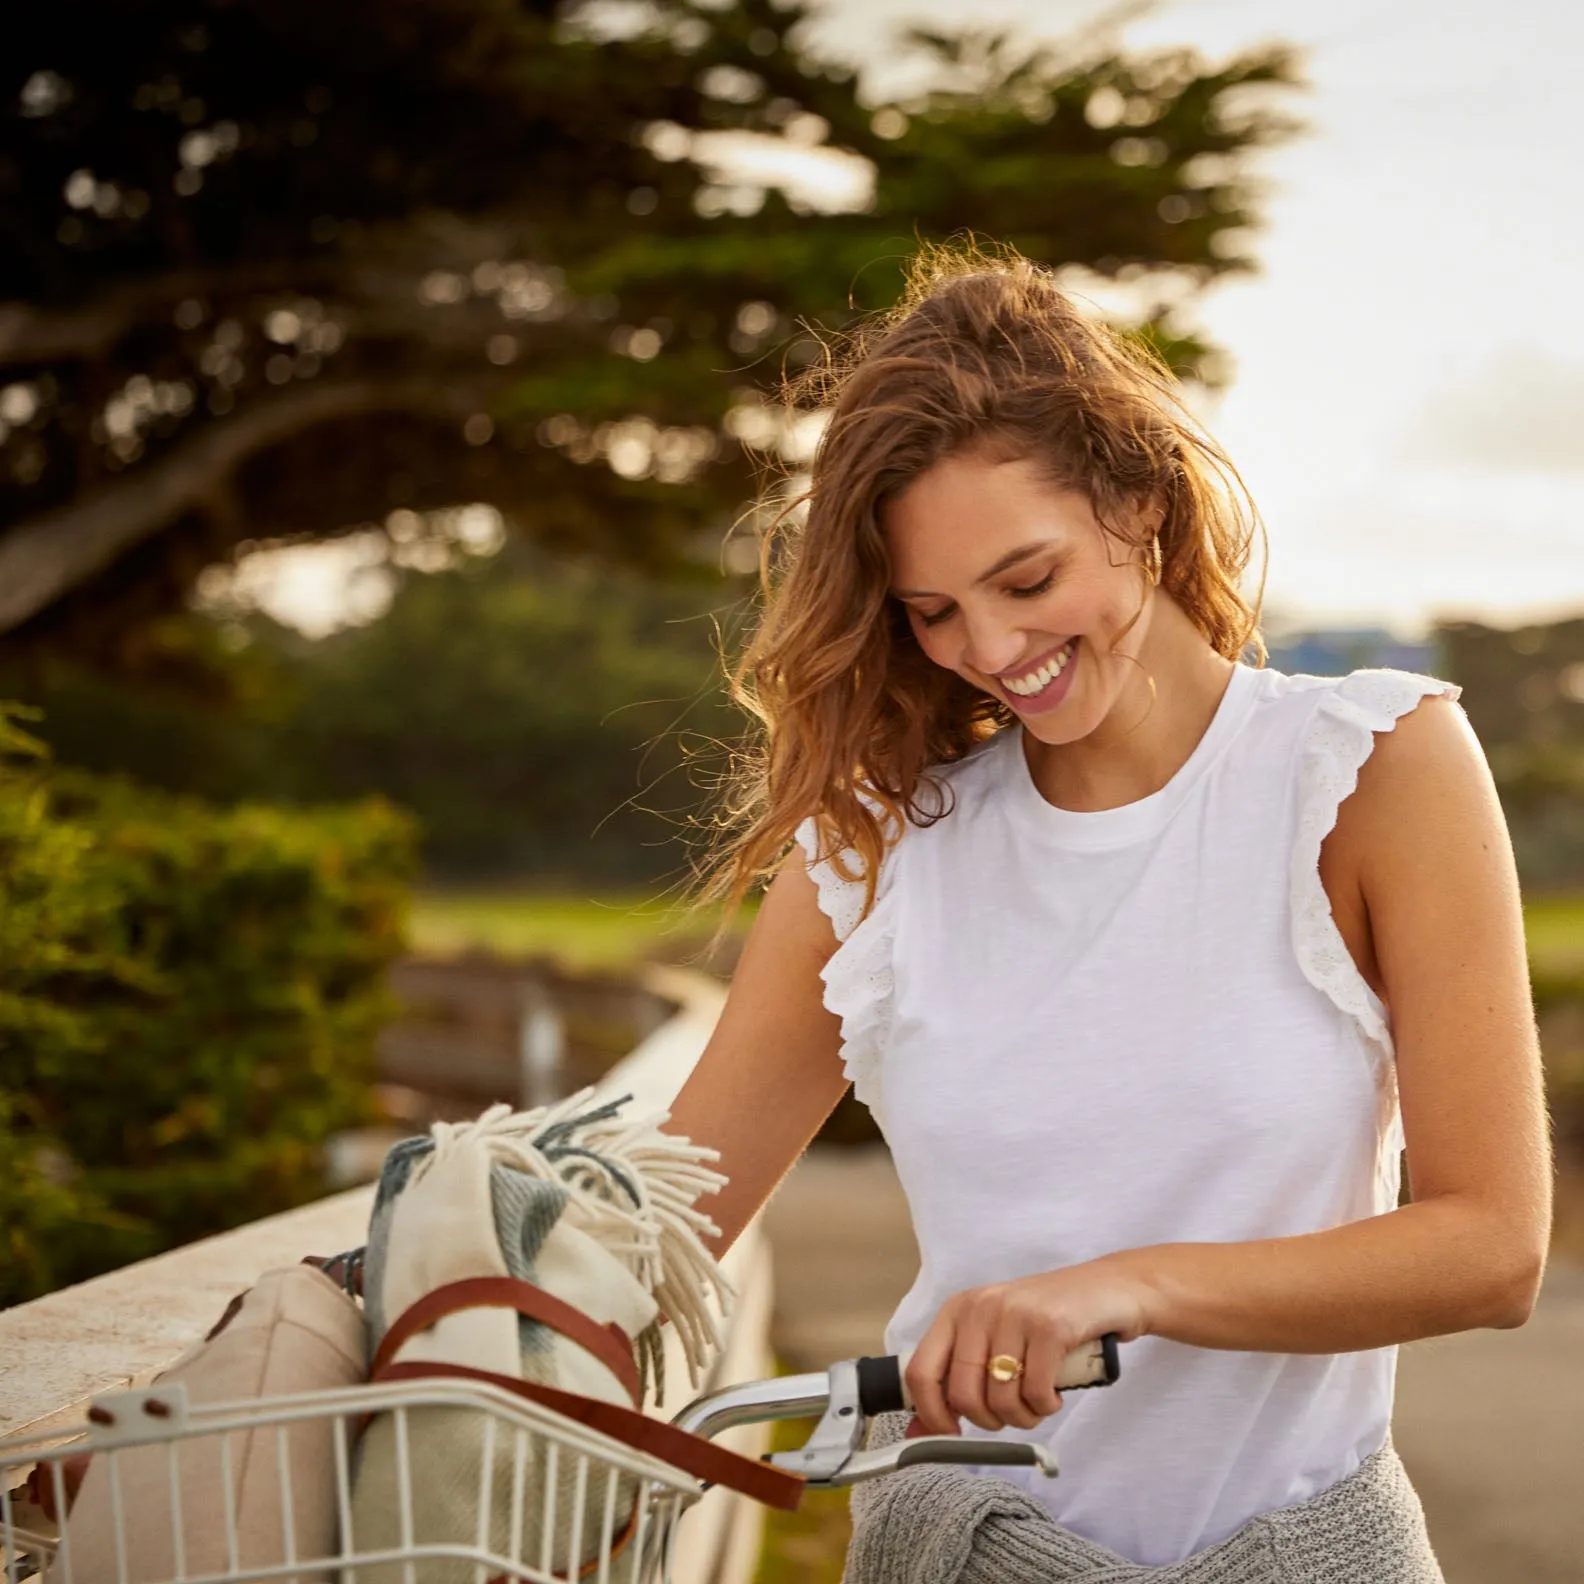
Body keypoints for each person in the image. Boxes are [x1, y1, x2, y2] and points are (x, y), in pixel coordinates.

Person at [665, 246, 1551, 1579]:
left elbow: (1493, 1248)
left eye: (1027, 580)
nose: (990, 649)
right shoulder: (872, 852)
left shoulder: (1374, 768)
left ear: (1138, 499)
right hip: (957, 1551)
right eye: (933, 614)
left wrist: (1124, 1285)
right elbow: (667, 1226)